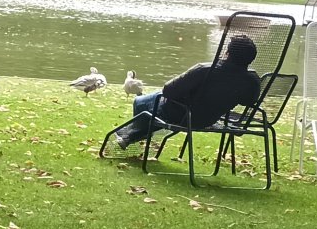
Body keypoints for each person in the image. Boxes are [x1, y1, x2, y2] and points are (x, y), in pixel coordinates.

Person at [109, 33, 263, 154]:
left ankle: (131, 135)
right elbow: (249, 101)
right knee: (157, 101)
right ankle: (130, 136)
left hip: (182, 115)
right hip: (209, 118)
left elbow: (168, 90)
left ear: (227, 53)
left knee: (143, 102)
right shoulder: (252, 80)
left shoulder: (205, 69)